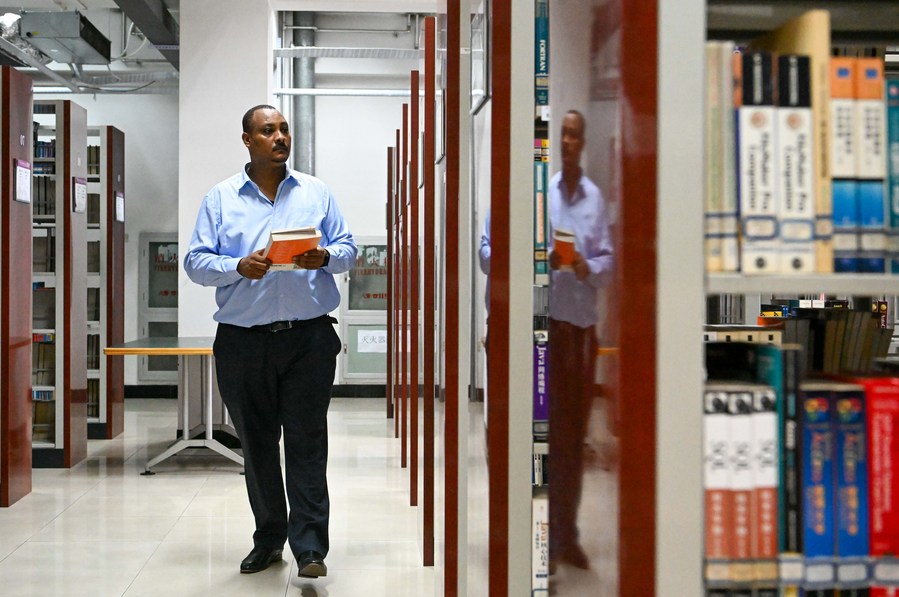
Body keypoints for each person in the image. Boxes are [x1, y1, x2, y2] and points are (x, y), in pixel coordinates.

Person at [183, 104, 357, 579]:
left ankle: (311, 548)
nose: (279, 137)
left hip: (308, 340)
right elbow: (195, 262)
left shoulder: (316, 192)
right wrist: (237, 265)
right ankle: (269, 540)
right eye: (267, 130)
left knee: (306, 443)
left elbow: (348, 249)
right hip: (244, 343)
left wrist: (324, 257)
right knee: (258, 446)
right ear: (248, 140)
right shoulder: (220, 199)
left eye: (283, 129)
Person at [547, 109, 614, 572]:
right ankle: (546, 535)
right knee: (549, 437)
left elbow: (609, 261)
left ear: (583, 142)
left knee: (575, 439)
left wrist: (588, 266)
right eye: (563, 134)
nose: (568, 142)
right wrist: (546, 258)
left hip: (582, 336)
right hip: (549, 333)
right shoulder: (544, 194)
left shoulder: (595, 199)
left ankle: (568, 535)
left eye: (575, 135)